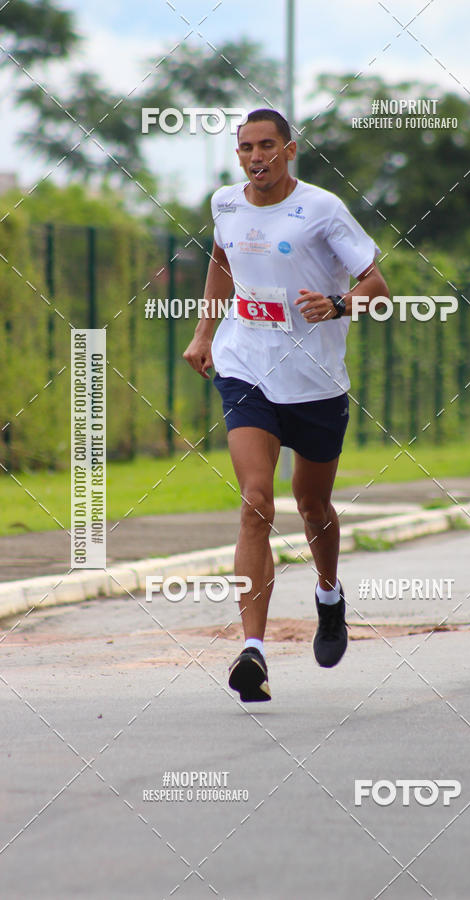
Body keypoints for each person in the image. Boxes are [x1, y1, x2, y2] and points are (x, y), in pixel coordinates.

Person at [183, 108, 389, 702]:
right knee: (256, 503)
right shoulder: (226, 203)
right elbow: (222, 261)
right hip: (246, 367)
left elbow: (379, 290)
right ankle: (254, 651)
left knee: (313, 503)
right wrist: (203, 333)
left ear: (289, 150)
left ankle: (328, 593)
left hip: (317, 381)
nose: (257, 157)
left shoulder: (322, 209)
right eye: (246, 147)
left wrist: (341, 303)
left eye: (267, 146)